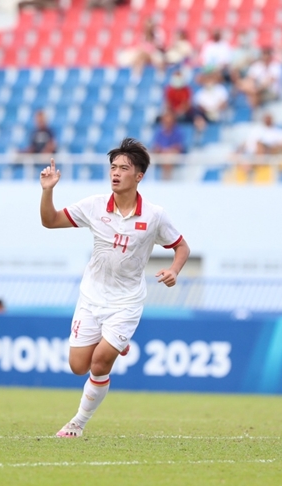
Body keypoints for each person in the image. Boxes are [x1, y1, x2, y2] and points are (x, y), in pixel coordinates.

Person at [39, 138, 191, 438]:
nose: (116, 173)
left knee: (99, 362)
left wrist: (174, 270)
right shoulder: (94, 206)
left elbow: (182, 247)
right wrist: (47, 192)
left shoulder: (154, 215)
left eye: (124, 168)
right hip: (91, 297)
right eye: (113, 167)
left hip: (126, 302)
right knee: (78, 366)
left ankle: (77, 424)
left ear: (139, 176)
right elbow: (50, 221)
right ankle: (116, 343)